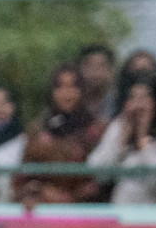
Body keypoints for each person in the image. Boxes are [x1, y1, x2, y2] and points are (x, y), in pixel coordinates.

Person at [17, 65, 105, 205]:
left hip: (86, 208)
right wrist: (43, 190)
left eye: (72, 87)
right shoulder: (38, 128)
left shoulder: (96, 129)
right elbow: (25, 174)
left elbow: (100, 174)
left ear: (81, 90)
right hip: (44, 206)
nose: (67, 93)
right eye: (60, 87)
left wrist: (75, 196)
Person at [89, 70, 156, 205]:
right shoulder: (118, 127)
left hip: (155, 212)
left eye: (144, 98)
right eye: (133, 98)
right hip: (120, 210)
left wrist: (143, 138)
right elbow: (98, 171)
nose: (138, 105)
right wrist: (121, 142)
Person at [77, 45, 117, 121]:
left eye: (101, 66)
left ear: (111, 72)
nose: (94, 72)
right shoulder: (70, 102)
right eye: (89, 66)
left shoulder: (119, 104)